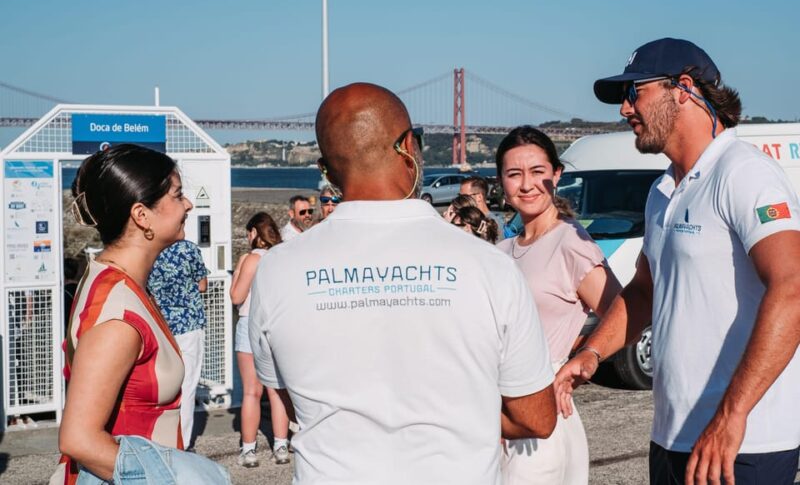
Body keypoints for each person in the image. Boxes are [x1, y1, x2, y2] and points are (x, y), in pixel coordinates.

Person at [248, 82, 556, 485]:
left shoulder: (276, 271)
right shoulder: (488, 266)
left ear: (326, 169)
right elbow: (536, 417)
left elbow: (290, 397)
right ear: (409, 147)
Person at [557, 38, 800, 485]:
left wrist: (733, 415)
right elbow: (646, 290)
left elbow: (792, 287)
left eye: (635, 93)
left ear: (683, 88)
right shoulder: (662, 190)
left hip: (742, 444)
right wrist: (592, 352)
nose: (625, 110)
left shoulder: (743, 172)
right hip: (672, 437)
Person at [53, 144, 226, 483]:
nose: (189, 204)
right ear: (141, 215)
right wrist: (176, 478)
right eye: (177, 196)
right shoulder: (117, 315)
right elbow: (78, 438)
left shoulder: (117, 283)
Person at [495, 126, 621, 484]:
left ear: (557, 176)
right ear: (501, 181)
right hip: (498, 412)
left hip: (544, 406)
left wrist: (580, 361)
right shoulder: (500, 252)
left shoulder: (570, 242)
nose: (526, 184)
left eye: (537, 172)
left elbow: (623, 311)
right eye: (514, 174)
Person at [230, 212, 290, 467]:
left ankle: (249, 449)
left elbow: (236, 296)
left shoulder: (252, 259)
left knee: (252, 393)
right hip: (277, 326)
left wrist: (240, 267)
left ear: (254, 232)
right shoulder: (282, 257)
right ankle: (281, 446)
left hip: (249, 325)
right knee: (277, 391)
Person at [147, 239, 209, 450]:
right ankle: (182, 443)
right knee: (188, 385)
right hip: (189, 323)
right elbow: (202, 285)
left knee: (162, 385)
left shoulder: (151, 248)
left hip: (161, 325)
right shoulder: (189, 249)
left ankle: (160, 437)